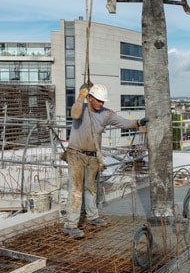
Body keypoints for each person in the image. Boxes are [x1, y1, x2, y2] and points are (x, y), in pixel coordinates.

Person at [63, 84, 147, 239]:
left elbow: (123, 123)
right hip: (76, 154)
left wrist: (138, 122)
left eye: (103, 101)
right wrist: (80, 96)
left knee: (91, 188)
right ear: (90, 98)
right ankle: (70, 225)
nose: (101, 103)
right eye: (98, 100)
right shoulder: (81, 108)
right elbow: (73, 114)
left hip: (93, 156)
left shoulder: (106, 114)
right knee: (76, 190)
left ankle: (92, 216)